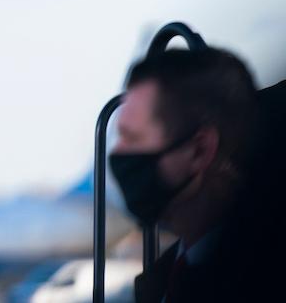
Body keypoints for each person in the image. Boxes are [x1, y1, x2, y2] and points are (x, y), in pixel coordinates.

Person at [109, 47, 259, 303]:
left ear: (200, 150)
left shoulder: (262, 275)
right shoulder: (164, 279)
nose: (117, 152)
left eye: (132, 138)